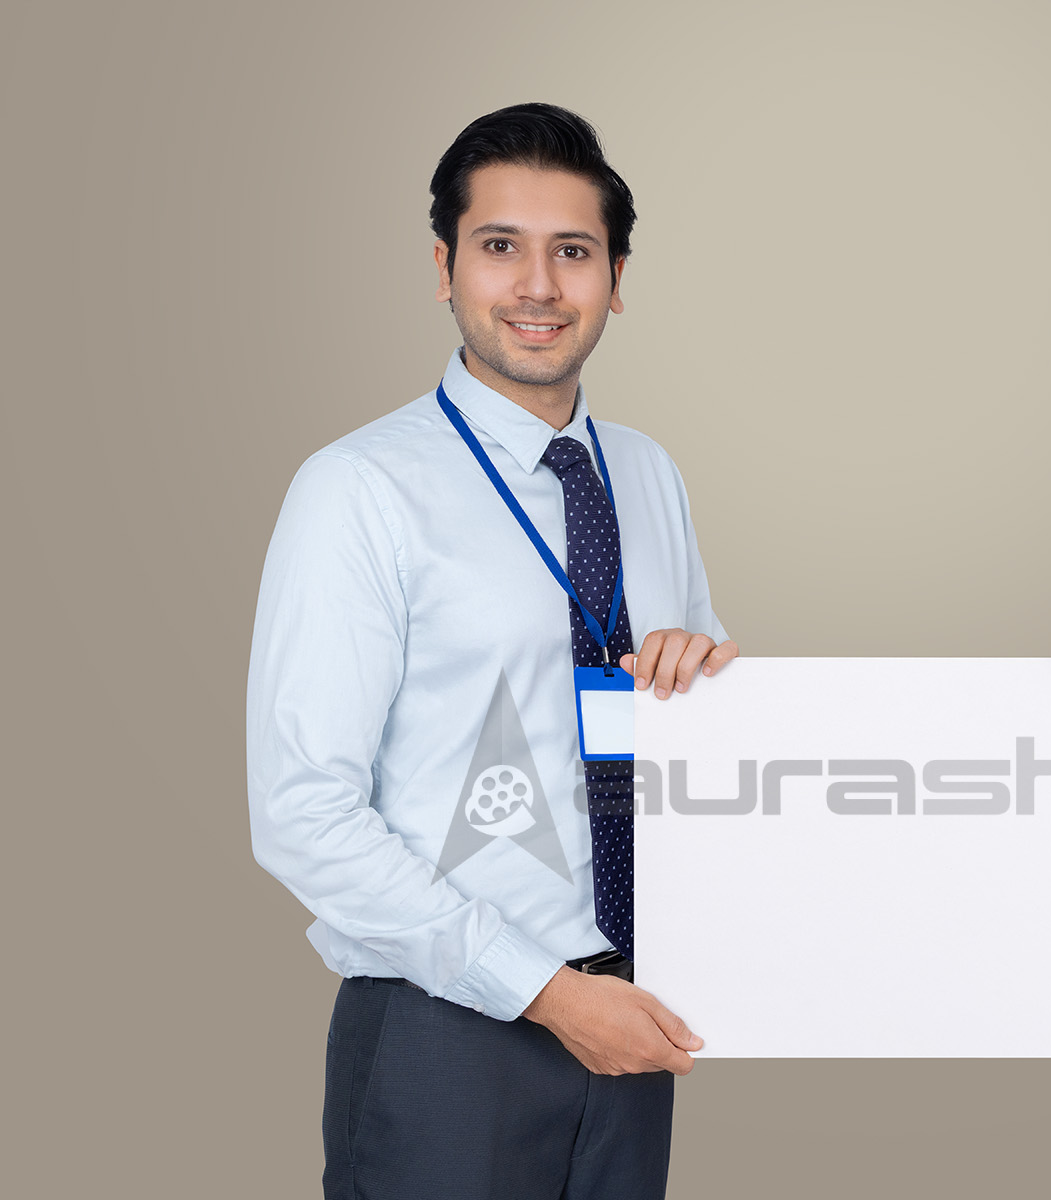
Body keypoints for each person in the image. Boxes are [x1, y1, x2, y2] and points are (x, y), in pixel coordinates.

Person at [246, 103, 736, 1200]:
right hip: (446, 1032)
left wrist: (697, 685)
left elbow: (691, 738)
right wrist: (546, 993)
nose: (537, 288)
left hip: (634, 1021)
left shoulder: (647, 475)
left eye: (573, 252)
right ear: (444, 267)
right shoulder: (358, 491)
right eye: (499, 247)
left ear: (616, 274)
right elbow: (303, 816)